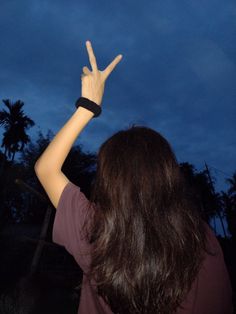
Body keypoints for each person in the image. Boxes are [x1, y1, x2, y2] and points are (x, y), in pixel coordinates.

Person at [35, 41, 233, 314]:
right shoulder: (202, 241)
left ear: (109, 182)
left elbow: (46, 169)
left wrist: (88, 106)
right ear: (167, 176)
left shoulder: (94, 233)